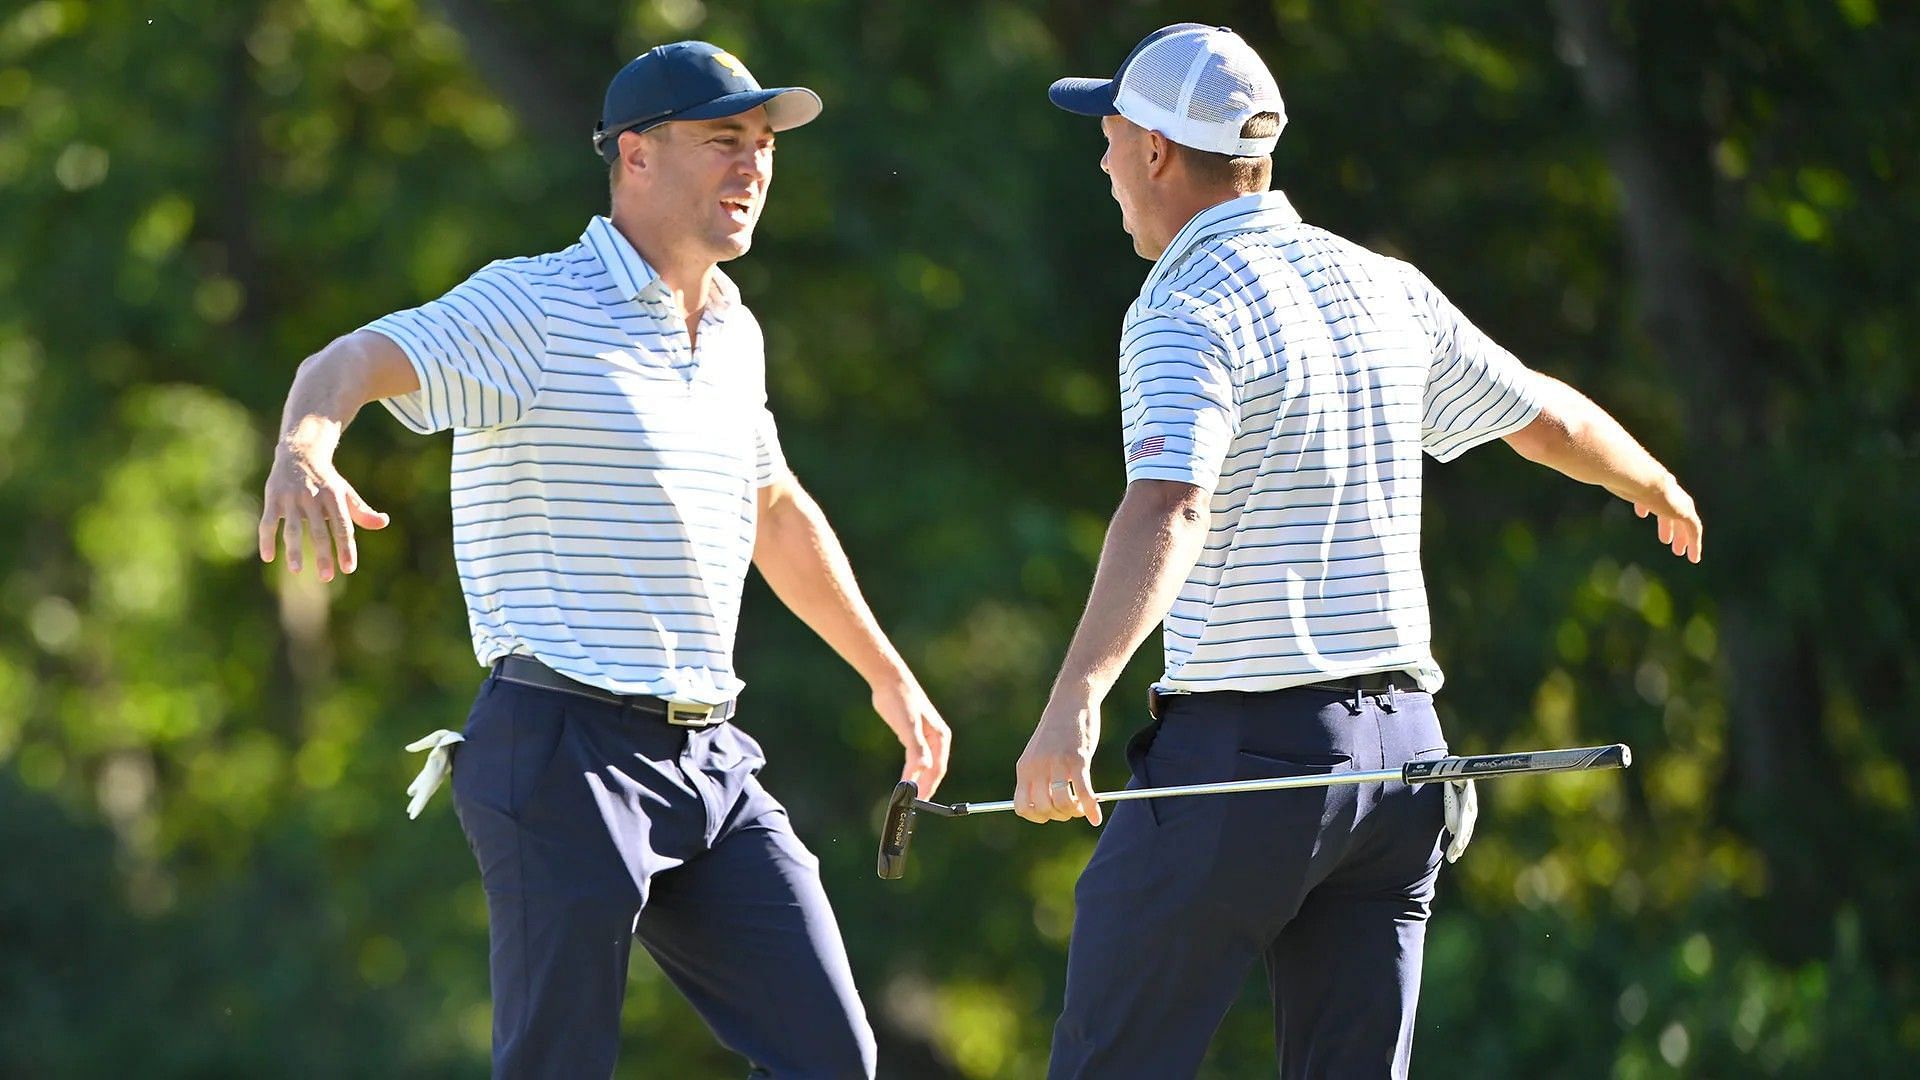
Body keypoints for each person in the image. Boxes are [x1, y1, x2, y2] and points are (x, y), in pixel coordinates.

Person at [1013, 23, 1701, 1079]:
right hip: (1402, 768)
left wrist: (1074, 699)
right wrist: (1646, 478)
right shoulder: (1381, 285)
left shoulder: (1181, 307)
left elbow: (1170, 506)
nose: (1102, 161)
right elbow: (1538, 416)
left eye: (1108, 136)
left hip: (1247, 761)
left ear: (1156, 150)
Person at [257, 40, 950, 1079]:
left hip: (710, 759)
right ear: (635, 155)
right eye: (724, 141)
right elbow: (347, 361)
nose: (754, 167)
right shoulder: (531, 306)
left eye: (763, 147)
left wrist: (887, 675)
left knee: (832, 1058)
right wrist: (304, 447)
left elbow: (772, 507)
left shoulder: (732, 330)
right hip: (561, 751)